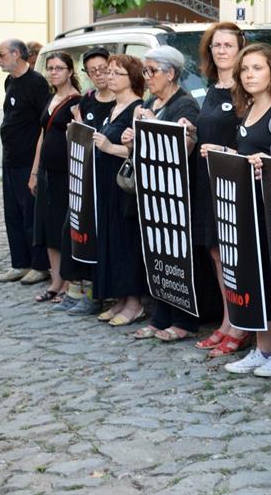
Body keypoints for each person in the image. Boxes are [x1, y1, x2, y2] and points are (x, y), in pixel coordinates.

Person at [215, 43, 271, 376]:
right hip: (250, 209)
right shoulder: (247, 110)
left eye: (257, 68)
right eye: (245, 70)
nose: (250, 75)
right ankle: (263, 349)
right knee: (260, 278)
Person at [121, 46, 204, 339]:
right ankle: (160, 316)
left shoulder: (185, 105)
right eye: (145, 70)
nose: (147, 77)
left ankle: (183, 321)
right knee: (157, 256)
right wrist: (130, 140)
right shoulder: (150, 102)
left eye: (152, 71)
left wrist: (152, 124)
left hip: (175, 194)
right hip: (152, 192)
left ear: (170, 73)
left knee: (176, 258)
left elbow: (182, 148)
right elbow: (144, 147)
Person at [190, 22, 251, 356]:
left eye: (228, 45)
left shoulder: (247, 88)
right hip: (207, 180)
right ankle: (228, 321)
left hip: (235, 183)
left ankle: (242, 324)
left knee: (233, 254)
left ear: (241, 48)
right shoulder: (211, 88)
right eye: (216, 45)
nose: (222, 50)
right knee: (216, 253)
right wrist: (190, 132)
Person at [56, 46, 116, 315]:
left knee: (96, 239)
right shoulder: (88, 100)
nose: (99, 74)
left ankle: (94, 294)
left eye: (103, 69)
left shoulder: (120, 102)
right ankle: (75, 288)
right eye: (92, 71)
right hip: (83, 177)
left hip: (105, 180)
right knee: (71, 232)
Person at [92, 54, 147, 326]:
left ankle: (135, 303)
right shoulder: (114, 106)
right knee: (112, 241)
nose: (109, 77)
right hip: (106, 184)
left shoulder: (138, 108)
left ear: (132, 77)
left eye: (116, 73)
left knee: (127, 243)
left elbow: (138, 149)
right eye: (109, 72)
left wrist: (109, 147)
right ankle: (121, 298)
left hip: (125, 187)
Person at [0, 39, 52, 285]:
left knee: (31, 214)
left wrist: (36, 169)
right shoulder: (10, 81)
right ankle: (20, 262)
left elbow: (44, 124)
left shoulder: (36, 83)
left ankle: (39, 265)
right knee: (13, 214)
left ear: (16, 54)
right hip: (10, 156)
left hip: (28, 159)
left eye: (1, 54)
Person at [28, 52, 81, 304]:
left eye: (59, 68)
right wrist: (34, 171)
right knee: (47, 225)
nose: (54, 72)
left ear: (70, 71)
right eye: (50, 68)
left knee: (62, 226)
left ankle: (68, 283)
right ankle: (55, 280)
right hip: (47, 171)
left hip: (66, 172)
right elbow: (42, 136)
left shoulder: (76, 101)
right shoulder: (51, 98)